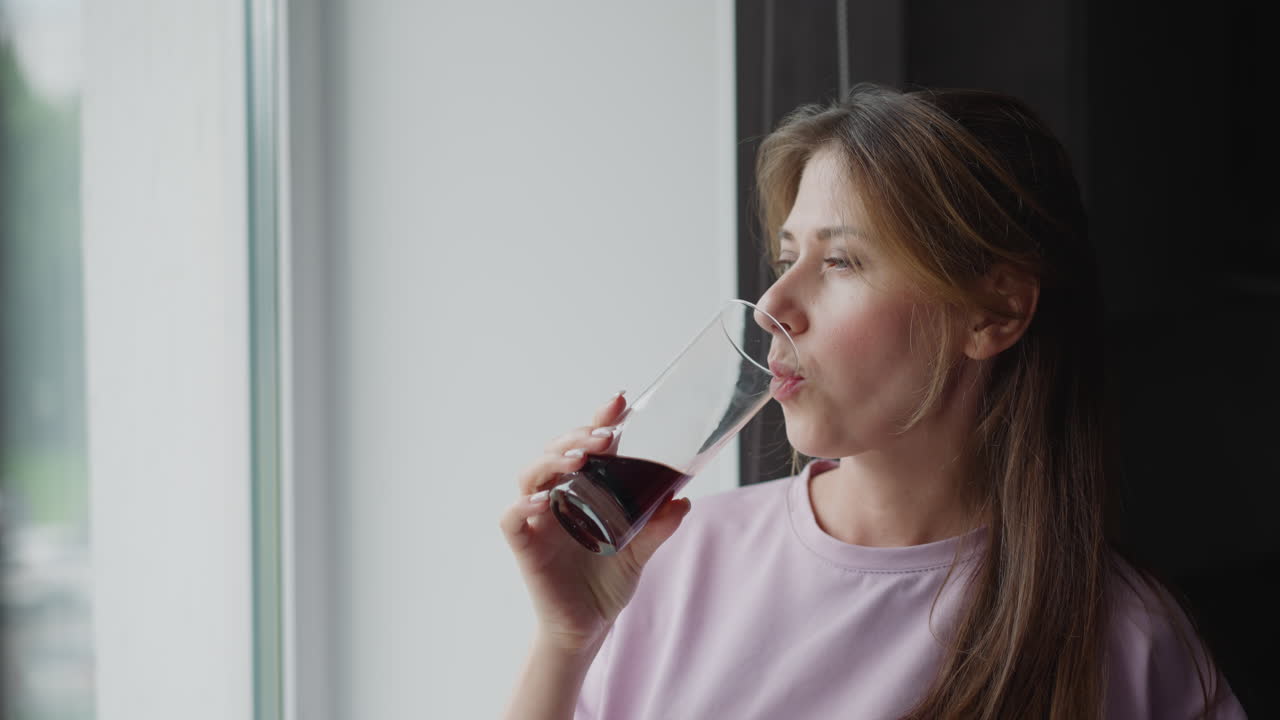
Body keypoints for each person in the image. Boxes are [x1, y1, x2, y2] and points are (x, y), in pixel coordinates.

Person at [499, 84, 1247, 719]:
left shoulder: (1126, 639)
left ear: (995, 313)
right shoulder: (675, 564)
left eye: (842, 260)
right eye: (788, 257)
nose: (772, 305)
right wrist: (566, 641)